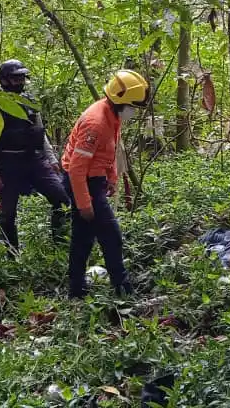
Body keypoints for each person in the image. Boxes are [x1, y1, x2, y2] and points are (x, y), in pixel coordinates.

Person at [62, 69, 149, 298]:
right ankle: (123, 290)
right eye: (133, 106)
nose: (134, 111)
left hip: (94, 180)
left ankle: (76, 290)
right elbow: (77, 168)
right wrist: (84, 203)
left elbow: (108, 151)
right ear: (122, 100)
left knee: (83, 237)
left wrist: (110, 179)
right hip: (82, 183)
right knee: (111, 236)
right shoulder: (95, 123)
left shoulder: (112, 116)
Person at [0, 59, 70, 254]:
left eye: (22, 78)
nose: (19, 82)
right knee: (8, 213)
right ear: (4, 80)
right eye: (14, 78)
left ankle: (60, 246)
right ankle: (11, 255)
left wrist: (52, 159)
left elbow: (39, 131)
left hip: (34, 160)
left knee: (61, 198)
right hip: (7, 163)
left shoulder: (28, 102)